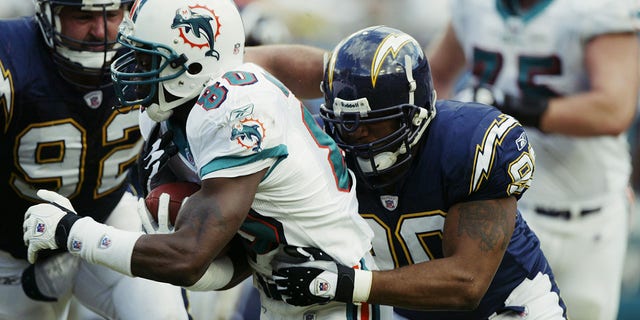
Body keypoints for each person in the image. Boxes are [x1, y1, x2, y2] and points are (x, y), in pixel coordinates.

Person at [22, 0, 390, 319]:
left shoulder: (235, 109)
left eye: (149, 57)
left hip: (336, 298)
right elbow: (234, 263)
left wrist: (70, 232)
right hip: (282, 292)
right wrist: (188, 263)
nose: (131, 67)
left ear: (194, 65)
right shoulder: (176, 109)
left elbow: (187, 257)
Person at [267, 25, 568, 319]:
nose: (358, 135)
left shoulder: (468, 145)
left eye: (374, 122)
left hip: (507, 307)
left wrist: (340, 282)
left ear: (416, 113)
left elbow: (467, 283)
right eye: (347, 122)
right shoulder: (324, 151)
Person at [427, 1, 640, 319]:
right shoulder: (474, 7)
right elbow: (434, 76)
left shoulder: (596, 9)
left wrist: (508, 106)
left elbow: (613, 110)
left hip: (589, 216)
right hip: (507, 210)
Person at [0, 0, 194, 319]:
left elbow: (242, 63)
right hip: (13, 246)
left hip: (108, 216)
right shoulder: (10, 54)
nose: (101, 31)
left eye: (112, 14)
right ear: (49, 14)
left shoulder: (153, 43)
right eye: (82, 16)